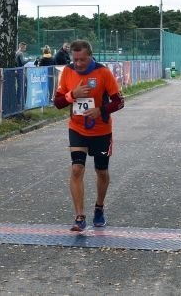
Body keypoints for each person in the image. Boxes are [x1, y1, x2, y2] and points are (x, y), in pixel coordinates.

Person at [54, 40, 125, 231]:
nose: (78, 63)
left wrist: (100, 110)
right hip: (77, 129)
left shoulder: (103, 72)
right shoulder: (68, 72)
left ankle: (99, 208)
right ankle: (79, 217)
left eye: (82, 60)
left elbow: (119, 102)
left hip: (101, 131)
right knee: (77, 169)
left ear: (90, 56)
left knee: (101, 171)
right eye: (75, 59)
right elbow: (58, 102)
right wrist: (72, 94)